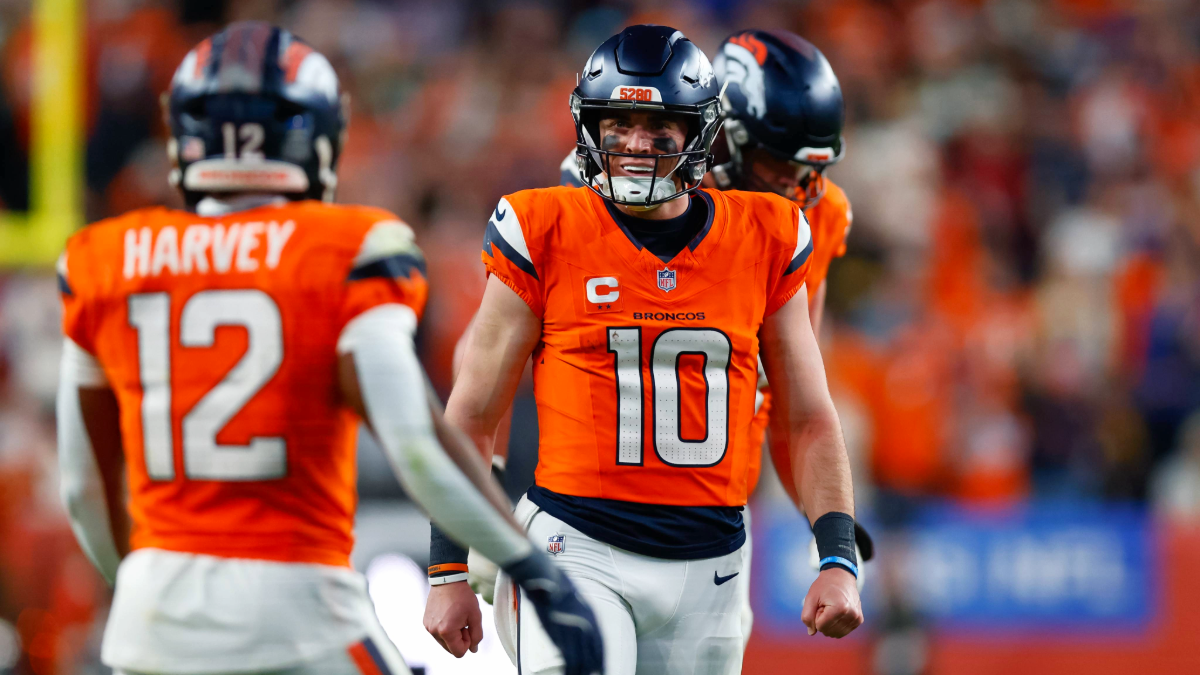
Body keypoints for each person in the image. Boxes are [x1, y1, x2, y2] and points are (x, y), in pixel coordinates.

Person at [55, 22, 602, 675]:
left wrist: (145, 583)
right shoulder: (346, 250)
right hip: (294, 607)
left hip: (151, 620)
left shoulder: (107, 257)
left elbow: (83, 485)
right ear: (315, 135)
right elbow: (418, 449)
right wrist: (537, 571)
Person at [423, 25, 862, 675]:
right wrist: (467, 523)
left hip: (709, 530)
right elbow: (481, 376)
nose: (796, 185)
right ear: (729, 144)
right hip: (580, 523)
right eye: (777, 163)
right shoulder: (574, 206)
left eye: (807, 169)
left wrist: (830, 532)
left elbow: (794, 400)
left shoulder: (791, 225)